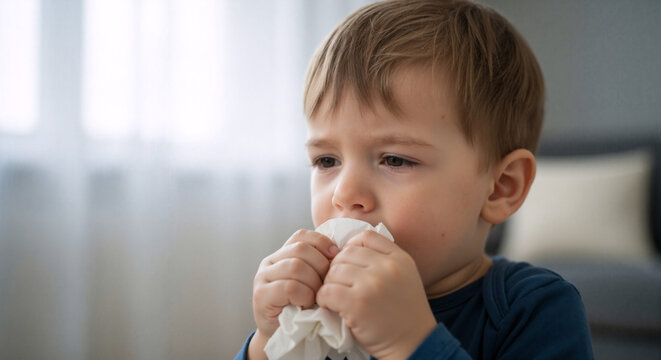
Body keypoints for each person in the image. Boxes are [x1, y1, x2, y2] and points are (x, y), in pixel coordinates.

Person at [236, 0, 593, 358]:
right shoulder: (321, 310)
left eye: (395, 159)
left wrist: (410, 342)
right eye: (326, 160)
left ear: (501, 187)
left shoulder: (536, 309)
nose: (345, 194)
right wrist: (269, 343)